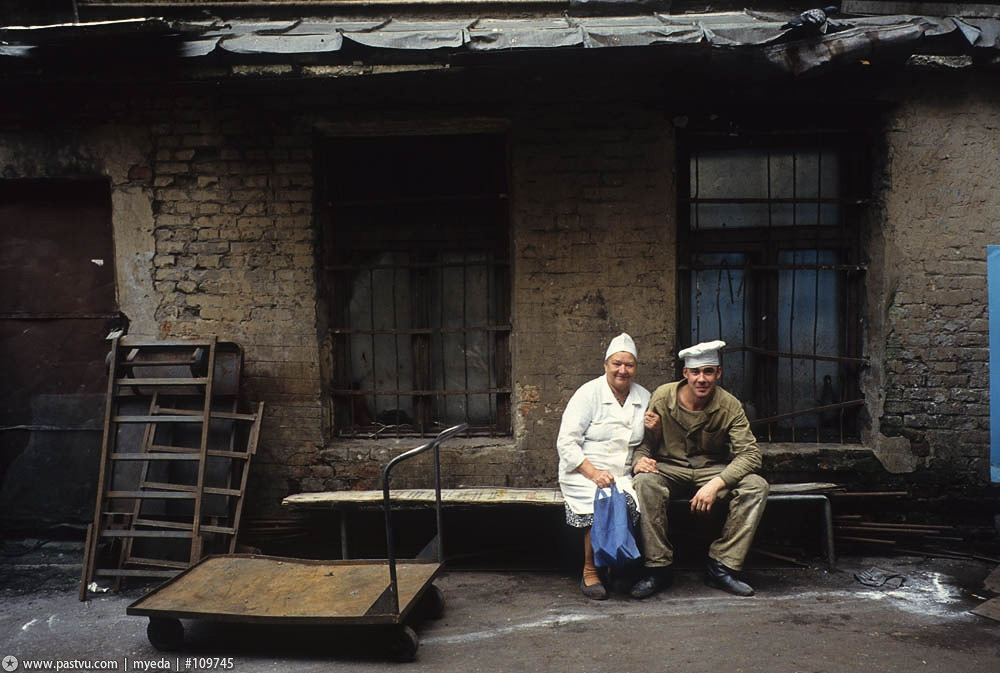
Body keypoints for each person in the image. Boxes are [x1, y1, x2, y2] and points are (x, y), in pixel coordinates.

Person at [629, 339, 769, 598]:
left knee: (756, 486)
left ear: (718, 373)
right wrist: (639, 461)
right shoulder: (663, 396)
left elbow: (750, 454)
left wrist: (716, 484)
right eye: (695, 372)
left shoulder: (729, 405)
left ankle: (722, 566)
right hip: (670, 467)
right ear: (685, 374)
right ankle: (658, 568)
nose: (701, 379)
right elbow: (644, 445)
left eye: (708, 371)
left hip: (711, 470)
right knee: (645, 483)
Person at [556, 333, 660, 600]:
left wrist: (651, 441)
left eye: (629, 365)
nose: (622, 370)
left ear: (635, 368)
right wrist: (592, 473)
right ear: (606, 365)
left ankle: (617, 567)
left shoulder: (643, 396)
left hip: (622, 472)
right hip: (582, 471)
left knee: (628, 501)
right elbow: (566, 443)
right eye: (617, 364)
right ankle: (590, 570)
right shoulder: (588, 394)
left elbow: (645, 445)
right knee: (602, 503)